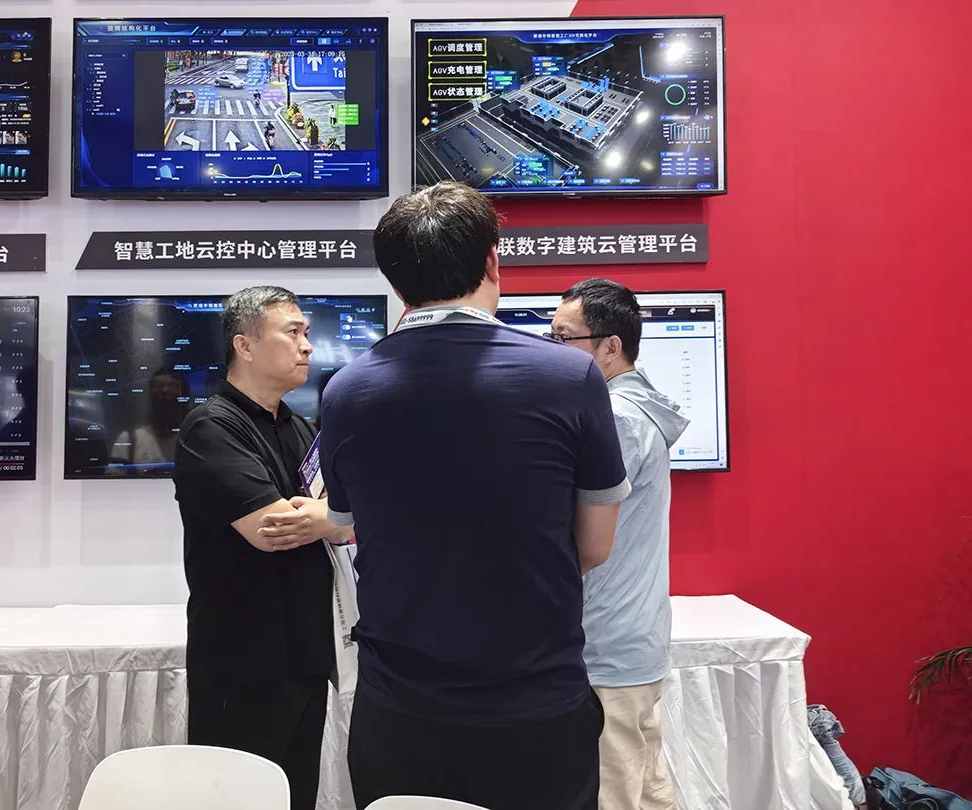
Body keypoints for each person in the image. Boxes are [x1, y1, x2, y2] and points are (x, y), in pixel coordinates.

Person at [318, 181, 631, 810]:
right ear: (492, 261)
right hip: (534, 703)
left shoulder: (346, 391)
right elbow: (595, 546)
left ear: (398, 285)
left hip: (399, 709)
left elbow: (347, 523)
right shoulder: (569, 375)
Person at [173, 286, 353, 810]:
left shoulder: (299, 426)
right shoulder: (211, 426)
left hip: (305, 655)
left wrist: (328, 518)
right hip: (243, 662)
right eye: (292, 332)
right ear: (245, 345)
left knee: (295, 795)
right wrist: (332, 516)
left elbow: (344, 522)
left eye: (307, 333)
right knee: (237, 797)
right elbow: (272, 530)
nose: (307, 346)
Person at [551, 279, 689, 810]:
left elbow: (574, 532)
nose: (553, 350)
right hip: (629, 641)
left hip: (606, 644)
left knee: (612, 791)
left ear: (611, 346)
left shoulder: (618, 419)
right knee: (645, 786)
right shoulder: (631, 408)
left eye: (564, 338)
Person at [109, 368, 189, 471]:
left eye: (172, 387)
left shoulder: (194, 442)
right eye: (159, 387)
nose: (165, 393)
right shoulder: (128, 441)